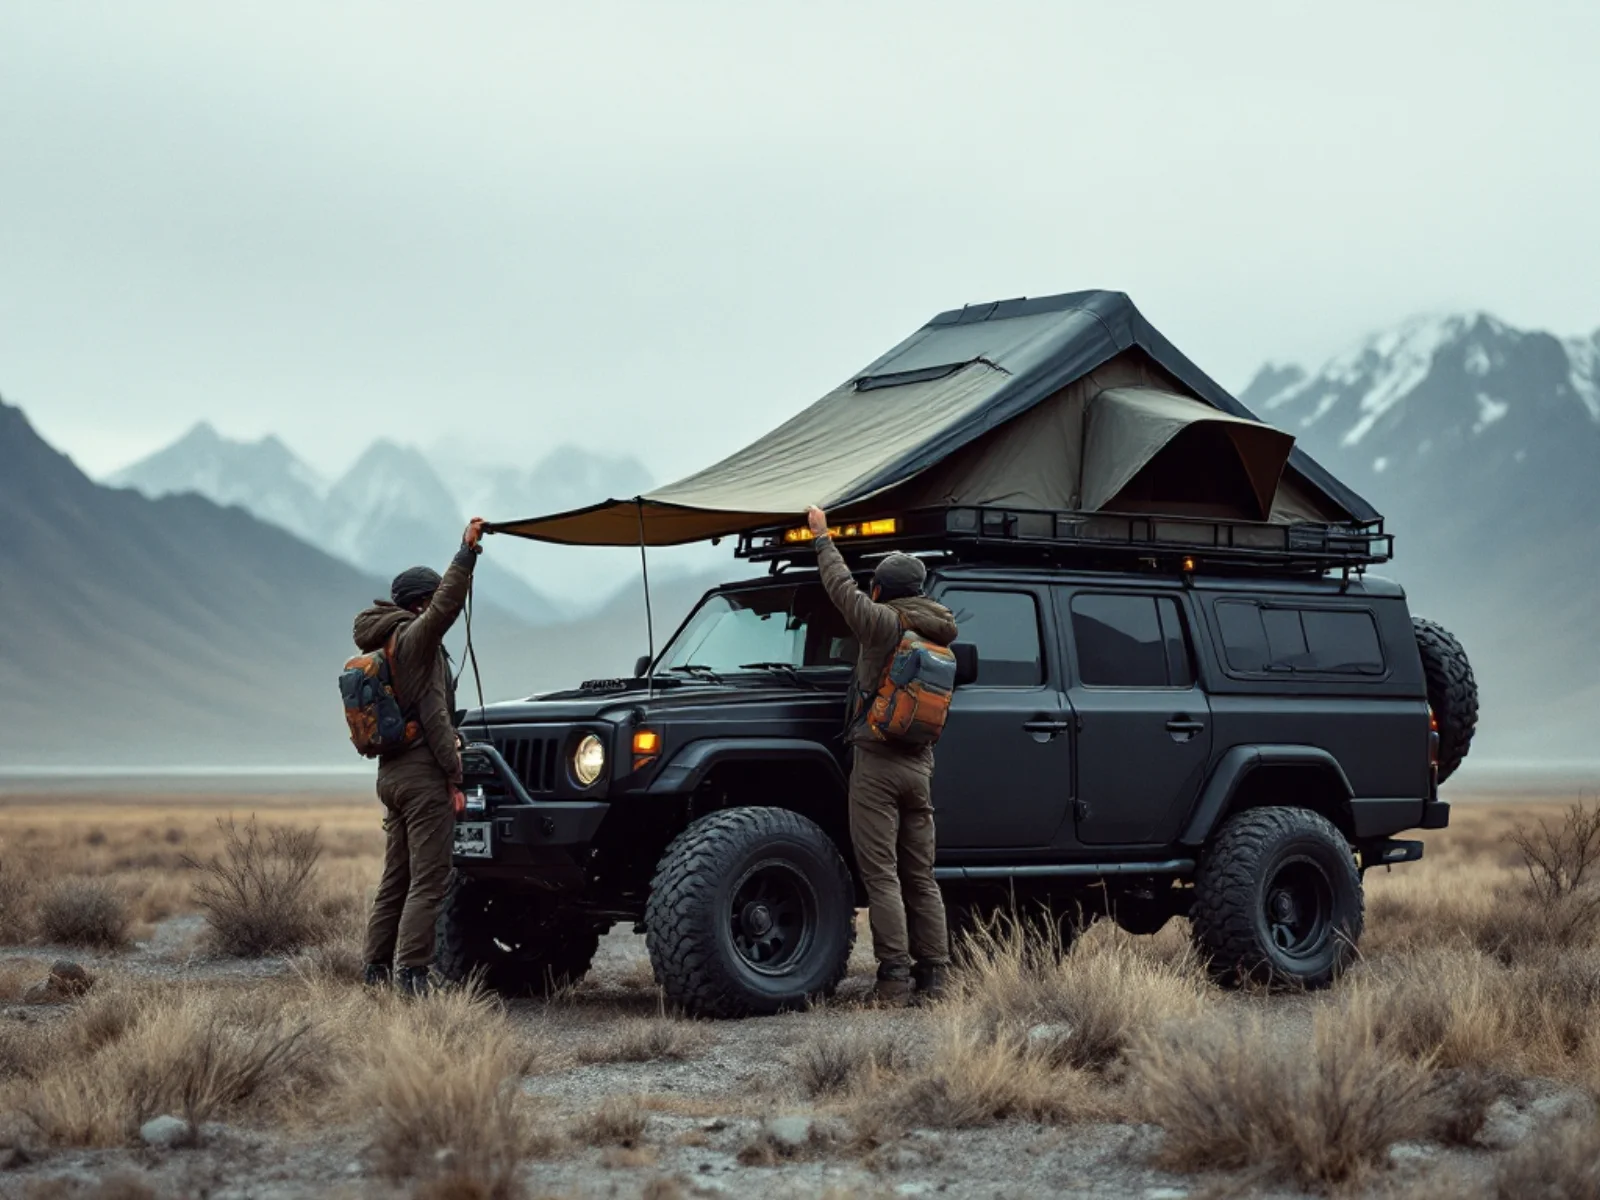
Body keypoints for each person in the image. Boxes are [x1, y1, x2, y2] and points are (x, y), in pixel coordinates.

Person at [806, 504, 957, 1003]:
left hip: (878, 764)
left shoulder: (884, 625)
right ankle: (934, 977)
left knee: (882, 875)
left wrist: (823, 538)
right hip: (921, 766)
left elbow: (840, 590)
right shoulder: (939, 630)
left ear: (883, 590)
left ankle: (893, 979)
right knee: (920, 875)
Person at [351, 516, 485, 996]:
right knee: (429, 881)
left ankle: (376, 971)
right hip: (422, 776)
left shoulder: (386, 644)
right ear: (421, 603)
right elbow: (448, 605)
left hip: (391, 776)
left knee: (396, 879)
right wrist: (466, 553)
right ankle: (413, 977)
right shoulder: (415, 638)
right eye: (431, 603)